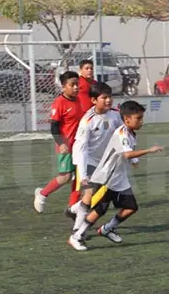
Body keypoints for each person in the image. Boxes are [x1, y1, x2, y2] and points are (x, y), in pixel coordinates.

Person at [69, 100, 162, 251]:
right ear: (127, 119)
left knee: (131, 207)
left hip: (119, 177)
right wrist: (149, 150)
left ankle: (107, 229)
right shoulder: (122, 133)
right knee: (100, 209)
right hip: (108, 177)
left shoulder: (131, 133)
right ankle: (76, 236)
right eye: (138, 118)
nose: (141, 121)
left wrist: (134, 160)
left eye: (141, 118)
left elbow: (128, 152)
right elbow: (127, 154)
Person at [70, 81, 124, 230]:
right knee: (88, 194)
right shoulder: (87, 120)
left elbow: (122, 134)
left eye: (110, 97)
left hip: (105, 161)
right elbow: (82, 149)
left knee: (99, 194)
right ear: (94, 100)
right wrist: (83, 174)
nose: (108, 100)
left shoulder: (115, 115)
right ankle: (77, 231)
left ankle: (74, 209)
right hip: (87, 159)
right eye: (104, 98)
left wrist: (131, 156)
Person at [34, 71, 81, 214]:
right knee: (66, 177)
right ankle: (42, 194)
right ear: (63, 87)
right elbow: (54, 126)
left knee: (80, 176)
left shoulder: (78, 100)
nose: (76, 87)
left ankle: (73, 206)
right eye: (72, 85)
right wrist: (61, 143)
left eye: (77, 84)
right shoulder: (59, 102)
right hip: (66, 146)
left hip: (80, 146)